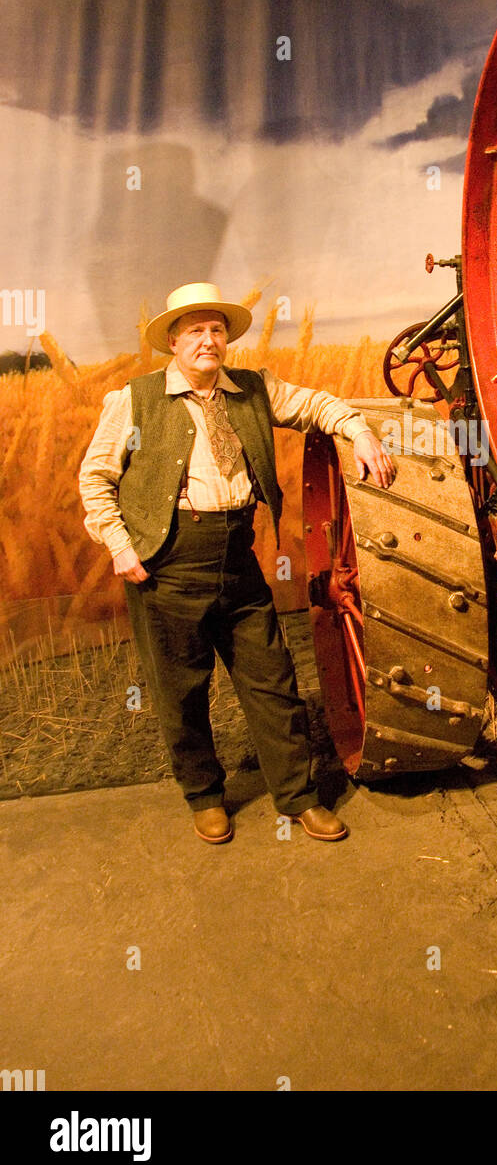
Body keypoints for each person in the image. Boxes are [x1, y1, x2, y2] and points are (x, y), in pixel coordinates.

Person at [78, 282, 396, 845]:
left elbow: (317, 404)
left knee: (272, 680)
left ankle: (299, 799)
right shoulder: (135, 399)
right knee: (181, 691)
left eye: (217, 330)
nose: (209, 341)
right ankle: (204, 797)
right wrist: (120, 546)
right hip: (167, 560)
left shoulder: (253, 390)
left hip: (237, 555)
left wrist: (359, 429)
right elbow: (96, 478)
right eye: (196, 331)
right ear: (173, 341)